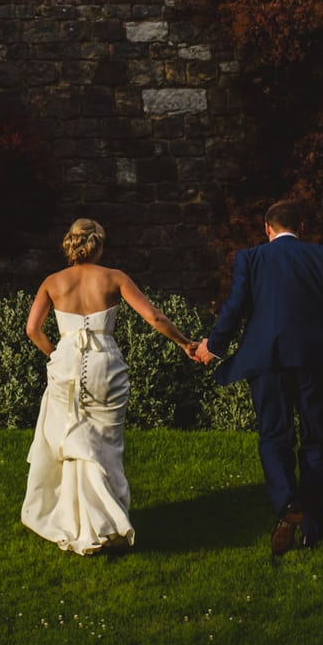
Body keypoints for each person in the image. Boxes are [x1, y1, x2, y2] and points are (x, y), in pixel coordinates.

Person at [198, 200, 323, 557]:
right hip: (317, 360)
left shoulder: (251, 258)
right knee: (316, 438)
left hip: (267, 361)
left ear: (267, 229)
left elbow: (235, 306)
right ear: (301, 227)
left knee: (274, 436)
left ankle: (289, 504)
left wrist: (212, 348)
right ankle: (314, 523)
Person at [21, 218, 203, 555]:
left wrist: (57, 355)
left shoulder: (52, 282)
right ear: (99, 246)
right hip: (106, 365)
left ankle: (80, 525)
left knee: (76, 443)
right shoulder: (115, 277)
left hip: (65, 369)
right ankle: (107, 524)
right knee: (105, 445)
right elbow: (155, 317)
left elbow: (33, 329)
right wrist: (184, 343)